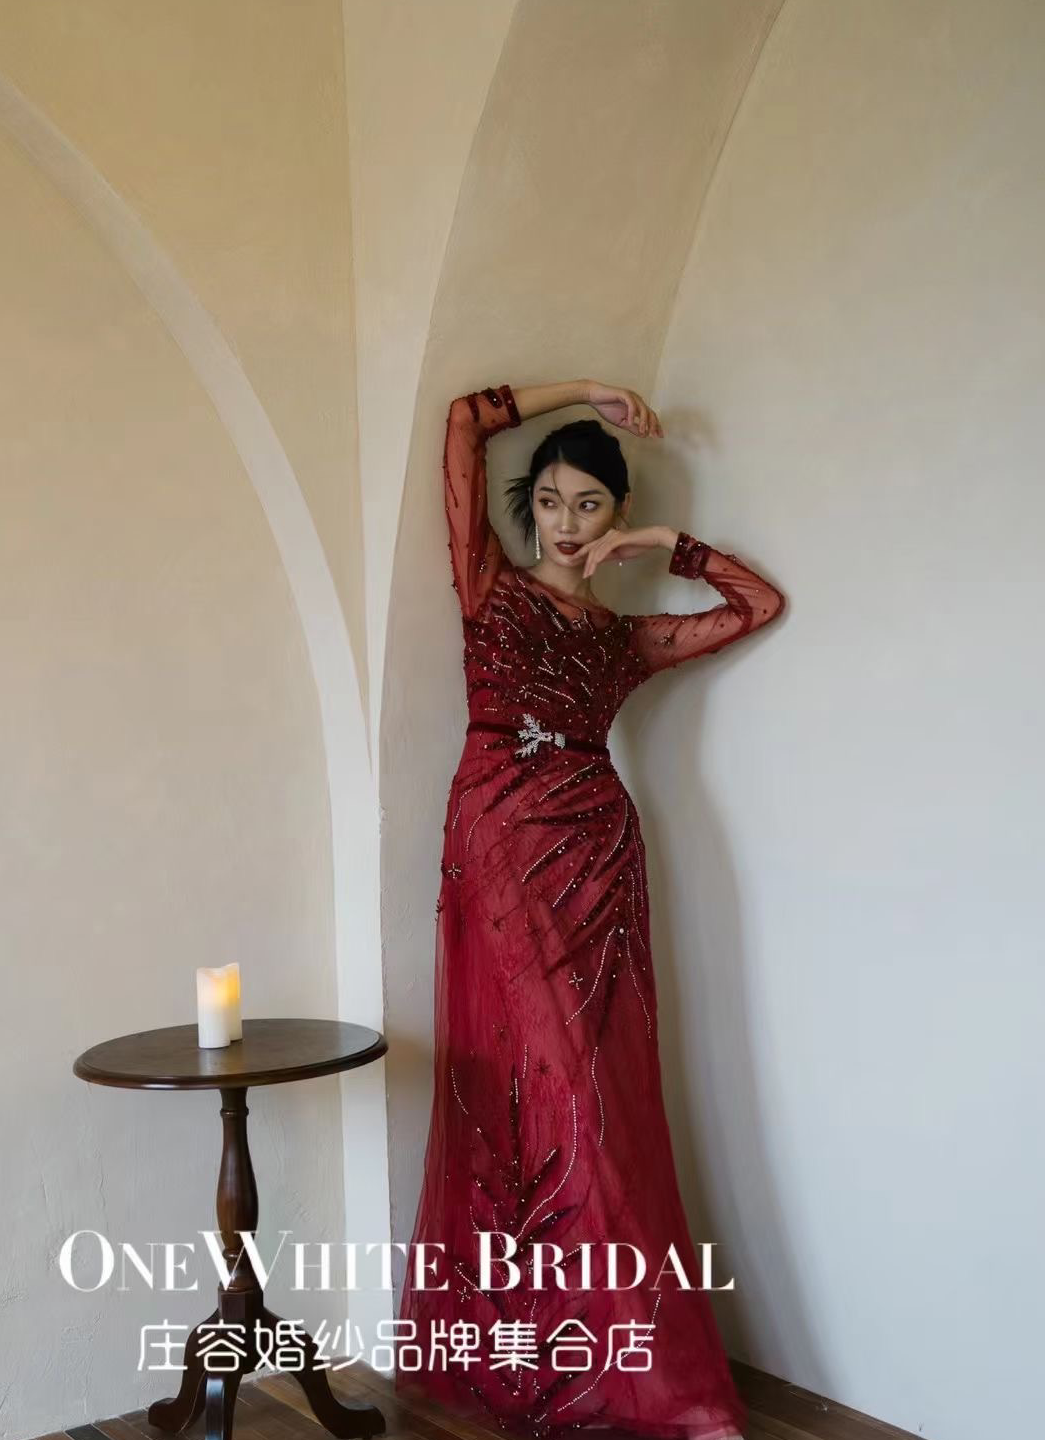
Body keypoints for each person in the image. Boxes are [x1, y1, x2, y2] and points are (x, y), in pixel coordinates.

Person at [396, 377, 785, 1440]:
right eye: (552, 501)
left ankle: (621, 1363)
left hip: (600, 850)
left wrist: (667, 544)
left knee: (600, 1094)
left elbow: (756, 606)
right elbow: (466, 422)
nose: (567, 523)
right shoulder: (487, 585)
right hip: (499, 843)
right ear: (528, 506)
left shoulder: (622, 638)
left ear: (614, 515)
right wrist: (590, 392)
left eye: (591, 506)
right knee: (541, 1087)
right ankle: (563, 1351)